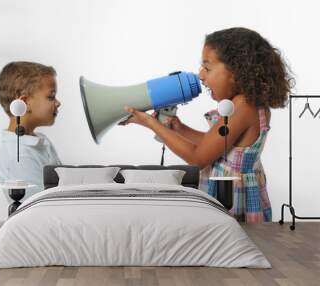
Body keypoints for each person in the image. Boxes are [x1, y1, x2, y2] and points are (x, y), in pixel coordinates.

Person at [121, 27, 294, 222]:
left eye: (208, 68)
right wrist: (180, 129)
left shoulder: (243, 107)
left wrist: (152, 123)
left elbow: (198, 158)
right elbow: (217, 147)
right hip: (235, 192)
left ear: (237, 71)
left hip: (231, 197)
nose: (201, 75)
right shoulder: (246, 104)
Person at [0, 61, 62, 201]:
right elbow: (39, 205)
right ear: (24, 103)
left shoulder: (40, 139)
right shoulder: (19, 155)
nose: (58, 103)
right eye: (51, 96)